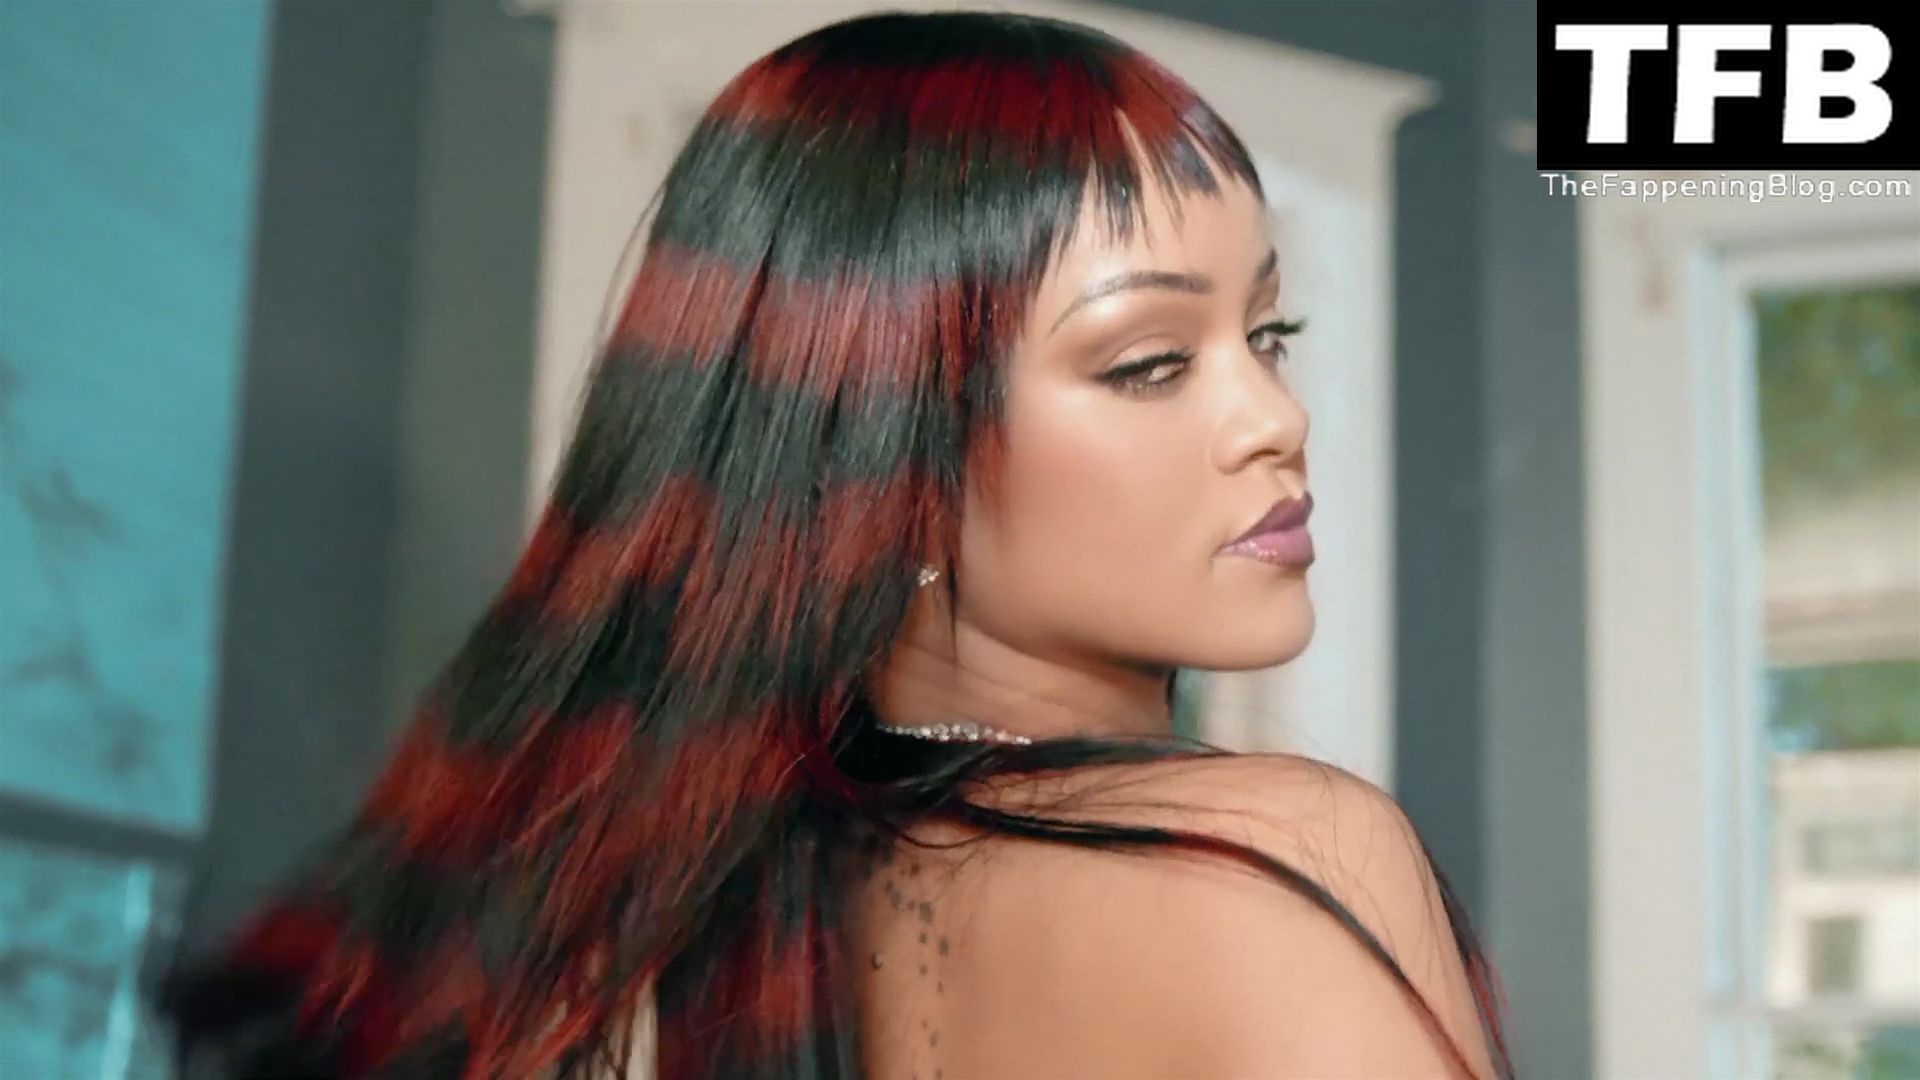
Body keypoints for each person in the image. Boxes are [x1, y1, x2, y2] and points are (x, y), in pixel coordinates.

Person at [159, 10, 1515, 1079]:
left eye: (1270, 334)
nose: (1276, 418)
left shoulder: (752, 913)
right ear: (885, 455)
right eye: (1151, 362)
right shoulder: (1280, 852)